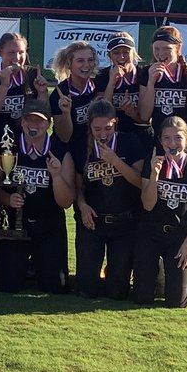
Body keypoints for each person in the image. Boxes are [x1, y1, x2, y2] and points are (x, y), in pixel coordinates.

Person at [0, 32, 47, 280]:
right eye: (11, 52)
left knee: (21, 197)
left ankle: (23, 254)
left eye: (21, 52)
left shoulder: (31, 77)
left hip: (23, 148)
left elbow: (42, 117)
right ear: (0, 53)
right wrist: (4, 86)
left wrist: (42, 93)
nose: (16, 57)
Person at [0, 98, 74, 294]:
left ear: (49, 123)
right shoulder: (5, 149)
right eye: (29, 119)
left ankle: (39, 265)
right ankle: (22, 266)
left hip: (49, 224)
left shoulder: (60, 152)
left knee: (54, 286)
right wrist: (7, 199)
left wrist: (57, 176)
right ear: (22, 121)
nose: (33, 125)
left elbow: (66, 202)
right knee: (7, 285)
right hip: (15, 225)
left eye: (39, 120)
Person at [134, 116, 187, 308]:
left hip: (179, 236)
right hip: (151, 233)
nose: (172, 143)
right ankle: (158, 271)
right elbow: (148, 205)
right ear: (160, 141)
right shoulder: (153, 162)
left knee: (177, 301)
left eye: (178, 138)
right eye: (167, 138)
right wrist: (154, 175)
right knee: (142, 297)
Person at [72, 98, 145, 299]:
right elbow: (77, 185)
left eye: (108, 128)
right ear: (89, 126)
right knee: (86, 290)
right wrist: (82, 205)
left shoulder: (130, 142)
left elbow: (140, 182)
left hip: (124, 223)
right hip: (93, 223)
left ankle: (114, 273)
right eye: (97, 129)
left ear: (115, 123)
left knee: (117, 292)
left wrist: (115, 161)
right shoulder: (81, 147)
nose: (103, 135)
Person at [137, 26, 187, 159]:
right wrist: (151, 83)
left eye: (166, 49)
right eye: (156, 49)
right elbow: (144, 116)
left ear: (178, 48)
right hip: (161, 142)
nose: (161, 53)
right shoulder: (147, 72)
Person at [98, 31, 154, 154]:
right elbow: (102, 111)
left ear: (133, 53)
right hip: (113, 134)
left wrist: (132, 113)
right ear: (109, 55)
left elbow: (146, 119)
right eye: (116, 53)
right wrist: (111, 83)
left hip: (140, 133)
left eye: (126, 52)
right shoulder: (102, 76)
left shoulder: (143, 73)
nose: (121, 56)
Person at [49, 41, 99, 147]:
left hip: (92, 145)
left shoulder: (98, 86)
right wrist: (66, 113)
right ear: (69, 64)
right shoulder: (59, 94)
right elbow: (64, 138)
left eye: (90, 60)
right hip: (67, 147)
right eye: (80, 61)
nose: (86, 65)